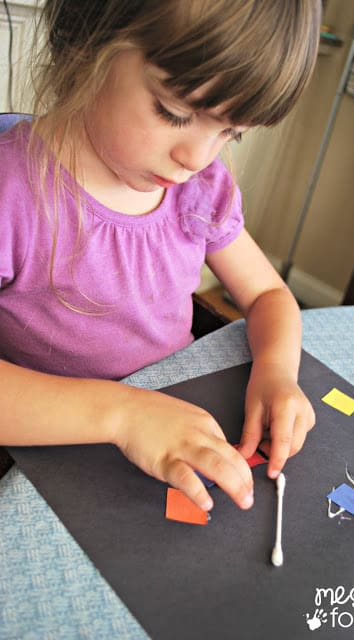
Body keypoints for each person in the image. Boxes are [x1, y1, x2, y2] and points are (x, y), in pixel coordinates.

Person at [0, 0, 320, 513]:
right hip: (50, 456)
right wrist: (123, 415)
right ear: (87, 47)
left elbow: (265, 293)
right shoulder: (11, 191)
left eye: (230, 132)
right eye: (175, 112)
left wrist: (277, 371)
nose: (198, 158)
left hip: (169, 433)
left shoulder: (201, 191)